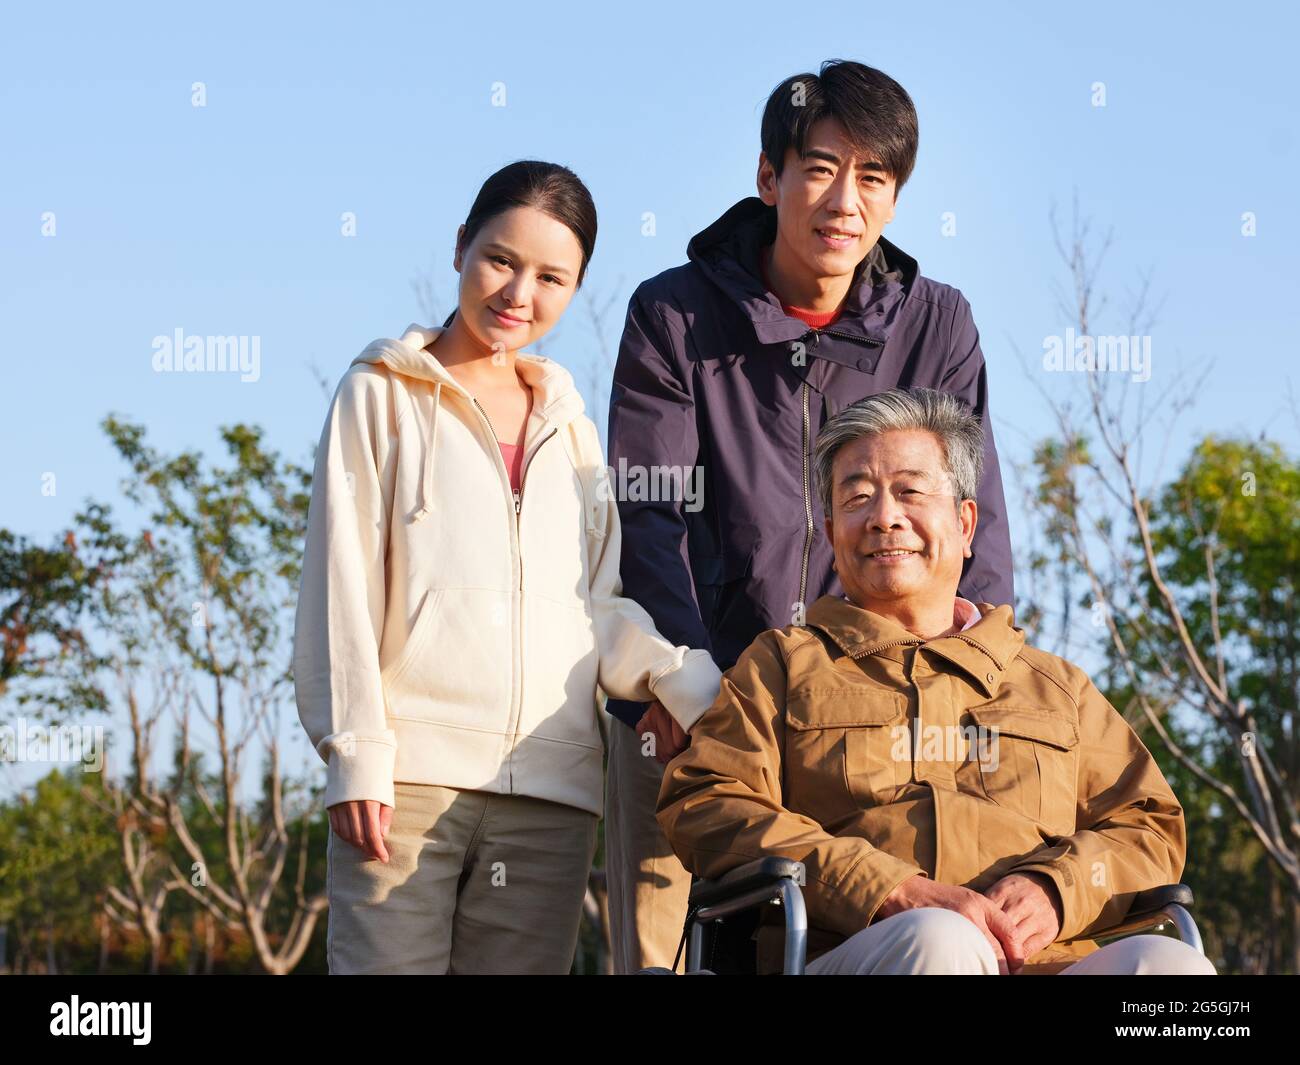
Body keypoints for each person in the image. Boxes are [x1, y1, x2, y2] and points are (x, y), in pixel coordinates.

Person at [604, 58, 1015, 973]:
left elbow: (968, 525)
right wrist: (683, 685)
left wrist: (989, 683)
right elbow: (650, 513)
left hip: (863, 714)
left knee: (888, 933)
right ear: (767, 176)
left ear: (897, 199)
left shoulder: (937, 324)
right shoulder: (674, 313)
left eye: (874, 177)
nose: (845, 200)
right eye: (822, 167)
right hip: (690, 696)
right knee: (664, 944)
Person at [292, 160, 722, 974]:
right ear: (460, 247)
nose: (519, 293)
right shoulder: (380, 392)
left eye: (551, 276)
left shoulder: (573, 427)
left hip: (552, 800)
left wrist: (685, 684)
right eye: (500, 259)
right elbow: (338, 585)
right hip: (405, 788)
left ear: (577, 287)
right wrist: (355, 754)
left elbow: (600, 607)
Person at [657, 388, 1215, 975]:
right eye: (857, 497)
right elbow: (706, 799)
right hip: (854, 953)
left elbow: (1149, 826)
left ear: (965, 523)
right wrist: (882, 887)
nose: (884, 517)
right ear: (830, 531)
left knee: (1173, 971)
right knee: (940, 940)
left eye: (911, 491)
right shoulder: (782, 664)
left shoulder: (1056, 685)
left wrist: (1057, 888)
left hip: (1045, 961)